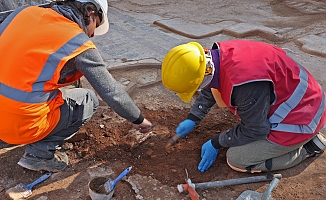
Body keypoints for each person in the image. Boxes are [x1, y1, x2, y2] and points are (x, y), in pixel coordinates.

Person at [0, 0, 153, 172]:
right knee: (89, 99)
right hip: (20, 125)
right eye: (97, 24)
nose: (93, 34)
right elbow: (111, 91)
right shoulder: (75, 42)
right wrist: (138, 119)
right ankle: (38, 155)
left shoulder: (23, 13)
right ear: (91, 13)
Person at [161, 40, 326, 173]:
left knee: (237, 159)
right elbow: (210, 83)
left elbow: (256, 130)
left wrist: (216, 142)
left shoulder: (245, 86)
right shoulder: (218, 56)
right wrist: (194, 117)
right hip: (303, 99)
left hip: (302, 119)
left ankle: (308, 148)